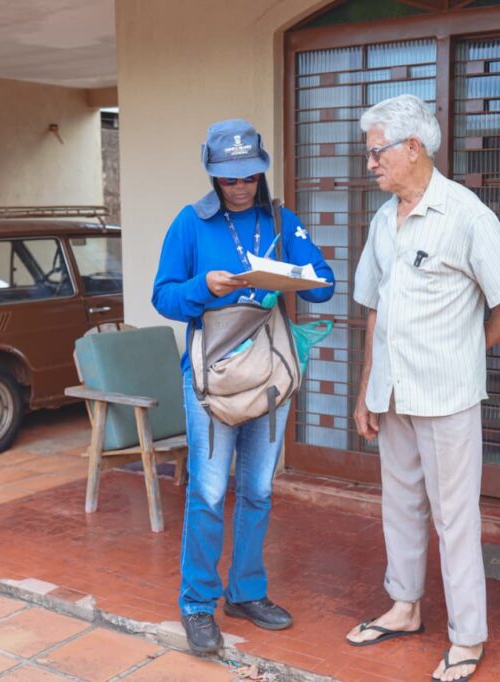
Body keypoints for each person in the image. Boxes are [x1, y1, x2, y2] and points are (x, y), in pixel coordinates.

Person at [344, 95, 500, 682]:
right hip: (394, 393)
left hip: (447, 395)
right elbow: (375, 308)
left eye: (377, 151)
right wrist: (365, 390)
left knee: (455, 518)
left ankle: (468, 636)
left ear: (413, 148)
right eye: (368, 152)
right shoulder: (384, 219)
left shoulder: (466, 215)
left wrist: (470, 347)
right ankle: (404, 607)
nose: (370, 164)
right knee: (399, 506)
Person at [152, 119, 335, 655]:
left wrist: (290, 275)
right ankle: (197, 604)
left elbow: (323, 283)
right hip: (210, 377)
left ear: (261, 171)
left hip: (269, 372)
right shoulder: (190, 224)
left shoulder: (280, 219)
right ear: (212, 174)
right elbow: (163, 297)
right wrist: (202, 289)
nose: (240, 186)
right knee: (208, 493)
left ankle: (247, 593)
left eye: (249, 176)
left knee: (257, 489)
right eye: (229, 178)